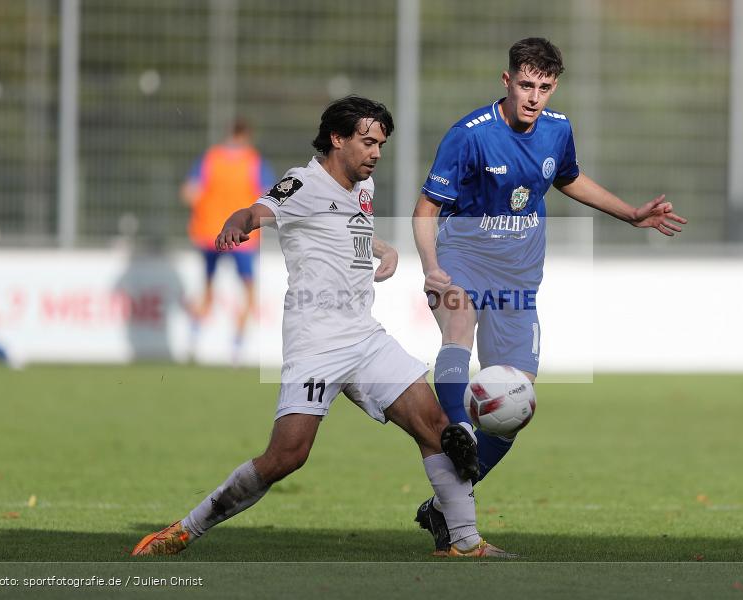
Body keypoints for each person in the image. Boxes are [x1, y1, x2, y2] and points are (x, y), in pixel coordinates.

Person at [132, 96, 510, 558]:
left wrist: (383, 248)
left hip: (365, 338)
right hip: (317, 343)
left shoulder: (362, 190)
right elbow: (258, 211)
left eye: (381, 145)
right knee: (287, 457)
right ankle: (187, 529)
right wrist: (239, 220)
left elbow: (346, 228)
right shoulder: (302, 183)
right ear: (337, 138)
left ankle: (465, 542)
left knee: (434, 426)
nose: (376, 153)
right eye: (367, 142)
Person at [411, 38, 688, 553]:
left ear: (553, 85)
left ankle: (445, 507)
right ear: (506, 80)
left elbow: (569, 178)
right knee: (458, 323)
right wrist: (430, 268)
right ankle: (459, 431)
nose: (533, 96)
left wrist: (630, 213)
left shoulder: (558, 130)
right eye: (524, 85)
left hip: (518, 279)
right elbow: (426, 209)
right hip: (462, 260)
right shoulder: (468, 136)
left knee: (516, 402)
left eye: (543, 86)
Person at [181, 119, 275, 363]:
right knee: (248, 291)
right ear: (247, 136)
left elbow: (190, 193)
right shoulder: (254, 161)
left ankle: (194, 337)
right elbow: (268, 195)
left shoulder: (211, 158)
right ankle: (237, 348)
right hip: (243, 235)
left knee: (208, 288)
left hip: (210, 231)